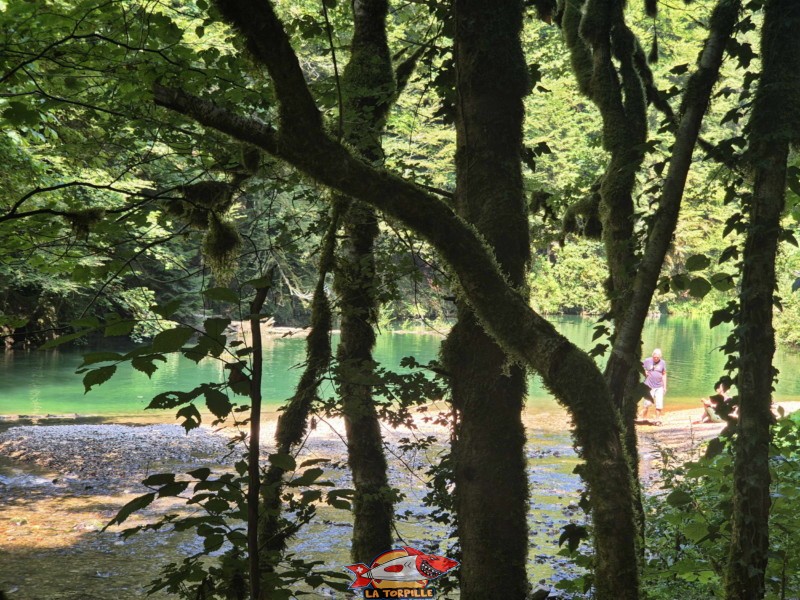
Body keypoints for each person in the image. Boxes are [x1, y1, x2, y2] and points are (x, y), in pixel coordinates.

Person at [641, 348, 667, 420]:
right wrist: (644, 372)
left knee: (659, 404)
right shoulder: (647, 361)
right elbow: (640, 367)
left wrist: (665, 387)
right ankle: (644, 418)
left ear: (660, 357)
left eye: (657, 357)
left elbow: (664, 374)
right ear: (652, 356)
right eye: (654, 357)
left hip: (659, 386)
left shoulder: (663, 363)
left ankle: (657, 419)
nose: (655, 358)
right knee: (647, 403)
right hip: (649, 385)